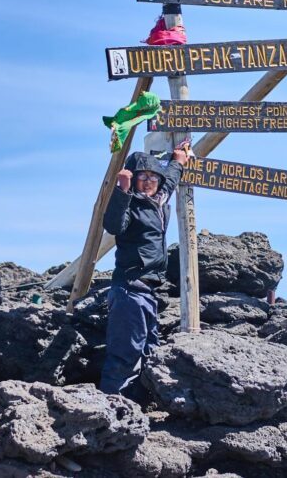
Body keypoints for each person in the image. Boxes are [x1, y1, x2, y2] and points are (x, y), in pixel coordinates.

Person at [100, 147, 189, 395]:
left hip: (149, 292)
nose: (149, 181)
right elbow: (113, 225)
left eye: (153, 177)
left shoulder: (157, 201)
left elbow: (170, 180)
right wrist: (122, 190)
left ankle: (135, 408)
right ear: (133, 178)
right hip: (130, 289)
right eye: (143, 177)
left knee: (150, 349)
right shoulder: (131, 203)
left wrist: (178, 161)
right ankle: (110, 412)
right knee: (125, 355)